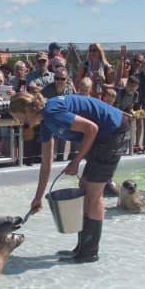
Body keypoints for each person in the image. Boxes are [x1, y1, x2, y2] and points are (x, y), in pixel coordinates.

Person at [11, 93, 129, 263]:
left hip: (113, 131)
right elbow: (46, 163)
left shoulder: (52, 111)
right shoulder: (45, 123)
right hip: (103, 135)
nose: (17, 121)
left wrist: (76, 161)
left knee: (93, 194)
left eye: (17, 117)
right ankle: (81, 248)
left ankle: (89, 252)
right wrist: (38, 198)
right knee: (85, 186)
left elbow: (92, 129)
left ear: (27, 111)